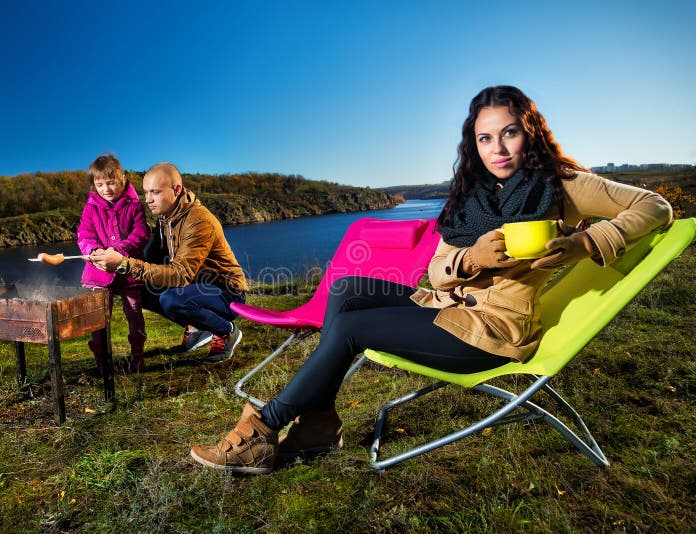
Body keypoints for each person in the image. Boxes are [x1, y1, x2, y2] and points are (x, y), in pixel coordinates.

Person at [188, 85, 674, 474]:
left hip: (491, 330)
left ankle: (265, 430)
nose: (498, 149)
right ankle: (318, 420)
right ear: (473, 143)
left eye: (509, 134)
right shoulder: (472, 193)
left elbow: (655, 206)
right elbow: (436, 268)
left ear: (531, 131)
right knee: (347, 288)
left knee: (354, 329)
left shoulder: (560, 183)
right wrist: (473, 257)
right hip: (444, 304)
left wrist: (584, 243)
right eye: (485, 138)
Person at [89, 162, 248, 363]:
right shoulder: (165, 218)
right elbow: (152, 260)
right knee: (140, 289)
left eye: (155, 192)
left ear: (176, 190)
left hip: (226, 290)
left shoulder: (199, 221)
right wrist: (114, 254)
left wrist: (124, 264)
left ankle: (226, 331)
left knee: (172, 300)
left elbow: (180, 275)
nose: (148, 199)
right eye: (146, 192)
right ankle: (197, 327)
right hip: (196, 287)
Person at [77, 154, 150, 373]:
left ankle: (137, 354)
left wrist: (118, 251)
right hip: (98, 270)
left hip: (128, 268)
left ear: (122, 179)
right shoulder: (90, 207)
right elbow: (84, 233)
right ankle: (102, 359)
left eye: (111, 183)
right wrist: (93, 250)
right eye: (100, 184)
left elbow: (141, 234)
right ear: (94, 185)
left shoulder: (135, 205)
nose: (106, 189)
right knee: (98, 317)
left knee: (134, 312)